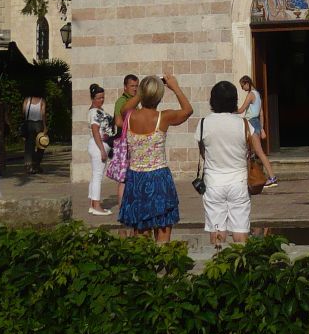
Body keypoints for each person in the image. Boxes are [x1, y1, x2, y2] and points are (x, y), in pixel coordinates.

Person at [198, 80, 280, 246]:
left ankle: (218, 263)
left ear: (212, 100)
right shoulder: (244, 124)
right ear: (234, 100)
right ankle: (240, 265)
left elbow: (203, 153)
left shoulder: (203, 123)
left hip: (214, 182)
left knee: (217, 230)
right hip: (239, 181)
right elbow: (255, 151)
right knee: (240, 230)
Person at [117, 72, 192, 241]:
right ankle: (164, 264)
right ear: (159, 96)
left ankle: (144, 266)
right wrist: (175, 87)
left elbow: (124, 109)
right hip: (159, 177)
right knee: (163, 230)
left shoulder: (129, 116)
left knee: (140, 234)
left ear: (141, 93)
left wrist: (142, 90)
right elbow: (188, 110)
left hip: (136, 178)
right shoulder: (163, 117)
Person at [87, 82, 114, 215]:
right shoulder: (94, 112)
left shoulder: (99, 111)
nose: (101, 100)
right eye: (98, 98)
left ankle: (93, 204)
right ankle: (97, 206)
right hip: (99, 145)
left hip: (100, 145)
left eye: (103, 97)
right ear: (92, 98)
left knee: (95, 175)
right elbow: (95, 130)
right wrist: (102, 150)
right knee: (97, 176)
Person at [21, 88, 47, 175]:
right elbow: (43, 114)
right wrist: (45, 126)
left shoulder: (27, 100)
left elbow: (23, 112)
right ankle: (37, 164)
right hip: (38, 124)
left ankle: (28, 166)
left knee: (29, 146)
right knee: (41, 145)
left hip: (29, 123)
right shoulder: (42, 101)